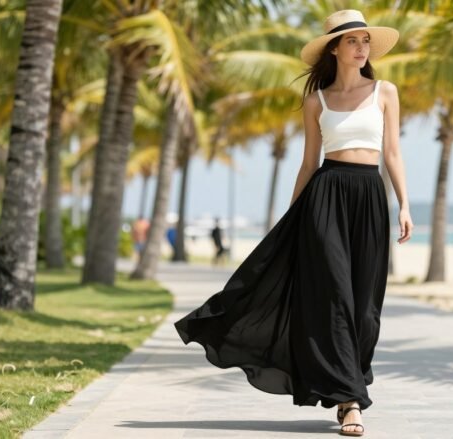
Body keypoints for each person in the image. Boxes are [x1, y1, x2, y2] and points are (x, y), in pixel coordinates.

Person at [174, 9, 412, 437]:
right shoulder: (317, 100)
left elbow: (392, 153)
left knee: (365, 308)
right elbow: (308, 163)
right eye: (352, 41)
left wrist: (405, 206)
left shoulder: (385, 92)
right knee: (335, 297)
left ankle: (349, 380)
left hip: (369, 197)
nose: (361, 48)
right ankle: (350, 402)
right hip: (325, 196)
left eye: (365, 41)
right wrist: (294, 214)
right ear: (334, 49)